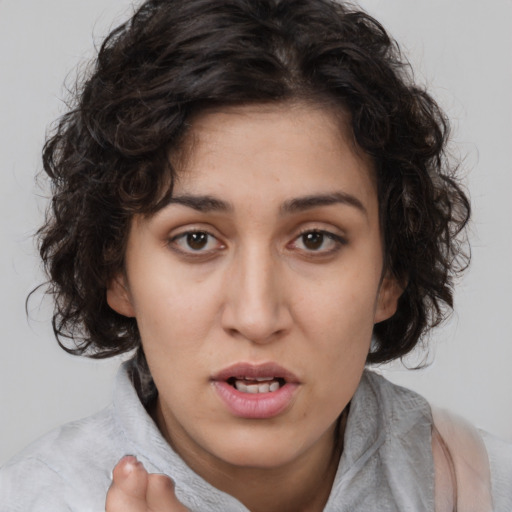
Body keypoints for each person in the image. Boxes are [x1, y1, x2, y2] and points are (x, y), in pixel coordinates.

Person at [0, 0, 510, 510]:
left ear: (390, 274)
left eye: (315, 239)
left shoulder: (485, 487)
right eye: (196, 239)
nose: (257, 316)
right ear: (117, 272)